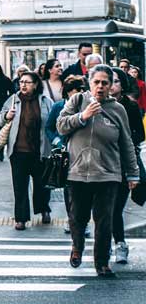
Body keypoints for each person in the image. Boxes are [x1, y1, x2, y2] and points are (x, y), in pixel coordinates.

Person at [57, 64, 140, 277]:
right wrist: (83, 116)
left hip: (108, 173)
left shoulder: (118, 109)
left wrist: (133, 173)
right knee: (78, 216)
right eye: (97, 82)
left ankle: (102, 263)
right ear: (89, 83)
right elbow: (61, 125)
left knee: (104, 220)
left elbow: (126, 143)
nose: (101, 87)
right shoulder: (77, 101)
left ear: (111, 86)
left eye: (105, 83)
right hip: (78, 171)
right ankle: (77, 247)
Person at [0, 71, 53, 231]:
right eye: (21, 82)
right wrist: (7, 116)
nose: (23, 85)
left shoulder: (45, 101)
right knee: (20, 187)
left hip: (40, 151)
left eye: (27, 82)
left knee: (42, 185)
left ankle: (44, 209)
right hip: (18, 151)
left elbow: (52, 122)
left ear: (35, 84)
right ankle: (21, 218)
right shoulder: (13, 100)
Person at [44, 75, 88, 236]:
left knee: (85, 189)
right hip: (66, 155)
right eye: (74, 92)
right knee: (70, 189)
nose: (77, 96)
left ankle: (82, 220)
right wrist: (57, 142)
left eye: (81, 91)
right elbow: (49, 127)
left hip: (84, 153)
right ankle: (72, 220)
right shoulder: (58, 107)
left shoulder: (87, 107)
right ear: (68, 93)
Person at [109, 68, 144, 264]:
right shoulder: (96, 105)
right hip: (101, 164)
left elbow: (140, 134)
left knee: (115, 208)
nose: (111, 85)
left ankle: (120, 243)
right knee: (103, 209)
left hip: (122, 163)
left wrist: (124, 139)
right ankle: (105, 243)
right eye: (108, 81)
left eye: (115, 81)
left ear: (122, 85)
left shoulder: (129, 107)